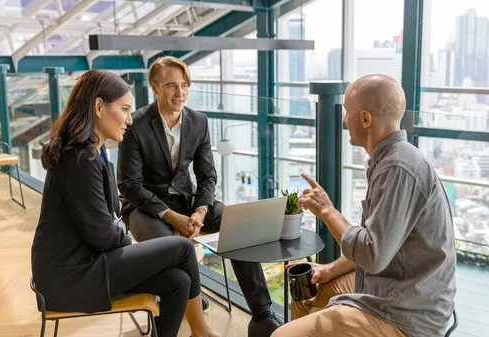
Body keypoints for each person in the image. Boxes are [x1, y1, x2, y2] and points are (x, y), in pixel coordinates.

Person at [31, 69, 220, 337]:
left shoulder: (94, 152)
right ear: (99, 107)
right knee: (181, 248)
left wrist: (128, 242)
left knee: (178, 281)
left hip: (89, 264)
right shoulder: (79, 160)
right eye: (125, 110)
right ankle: (201, 331)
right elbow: (102, 234)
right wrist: (131, 245)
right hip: (70, 276)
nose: (130, 120)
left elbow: (109, 221)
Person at [272, 74, 457, 337]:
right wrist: (329, 269)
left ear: (365, 119)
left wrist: (327, 211)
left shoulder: (398, 168)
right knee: (307, 292)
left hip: (407, 312)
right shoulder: (386, 161)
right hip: (391, 286)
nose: (344, 118)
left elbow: (372, 254)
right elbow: (377, 242)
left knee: (280, 336)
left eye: (347, 111)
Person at [117, 56, 281, 337]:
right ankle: (186, 298)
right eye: (171, 86)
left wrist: (201, 211)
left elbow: (207, 176)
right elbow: (129, 184)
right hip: (144, 207)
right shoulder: (136, 124)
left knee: (238, 224)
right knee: (169, 246)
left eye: (184, 86)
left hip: (188, 201)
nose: (180, 93)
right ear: (155, 86)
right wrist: (170, 216)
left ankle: (262, 314)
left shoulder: (199, 121)